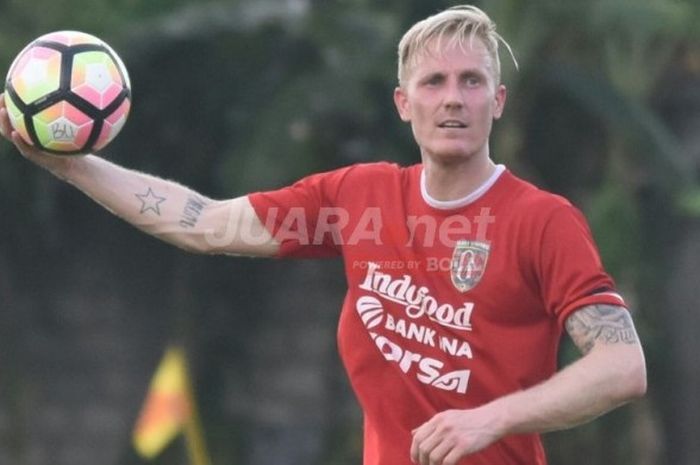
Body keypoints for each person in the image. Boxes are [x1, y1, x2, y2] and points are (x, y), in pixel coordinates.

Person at [0, 5, 646, 465]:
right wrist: (69, 163)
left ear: (497, 101)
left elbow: (622, 366)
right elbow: (202, 221)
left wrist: (492, 416)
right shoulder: (357, 197)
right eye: (435, 82)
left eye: (472, 81)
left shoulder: (542, 220)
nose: (454, 98)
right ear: (404, 102)